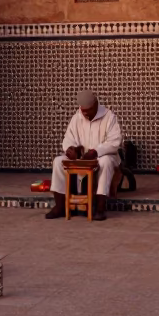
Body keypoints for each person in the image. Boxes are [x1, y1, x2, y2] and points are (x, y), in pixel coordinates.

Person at [46, 89, 121, 222]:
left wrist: (96, 152)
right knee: (58, 161)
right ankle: (60, 206)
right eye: (83, 110)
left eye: (88, 110)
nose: (85, 114)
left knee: (105, 162)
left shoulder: (109, 117)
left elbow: (115, 142)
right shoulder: (77, 117)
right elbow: (68, 138)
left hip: (103, 157)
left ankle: (100, 207)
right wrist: (71, 149)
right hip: (82, 159)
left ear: (96, 105)